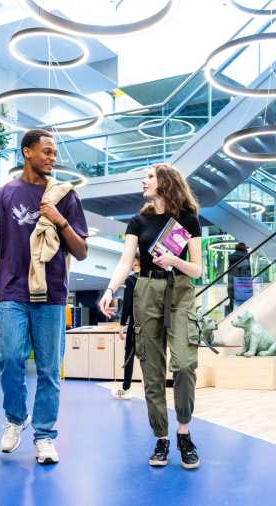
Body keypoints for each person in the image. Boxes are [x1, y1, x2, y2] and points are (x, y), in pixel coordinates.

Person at [0, 129, 89, 465]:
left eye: (55, 153)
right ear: (27, 152)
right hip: (11, 291)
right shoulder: (2, 195)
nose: (53, 158)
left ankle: (44, 436)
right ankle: (14, 418)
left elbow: (81, 251)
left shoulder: (65, 196)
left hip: (51, 293)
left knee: (50, 370)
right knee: (10, 357)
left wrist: (59, 219)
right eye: (47, 152)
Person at [98, 163, 203, 470]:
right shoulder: (138, 221)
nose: (143, 181)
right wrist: (109, 290)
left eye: (149, 177)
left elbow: (197, 269)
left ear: (165, 182)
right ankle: (162, 437)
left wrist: (174, 260)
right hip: (145, 290)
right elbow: (124, 261)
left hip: (180, 291)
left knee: (184, 364)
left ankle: (184, 431)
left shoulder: (188, 219)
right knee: (152, 370)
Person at [113, 254, 140, 401]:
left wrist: (122, 325)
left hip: (135, 324)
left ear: (135, 261)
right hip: (152, 323)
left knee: (129, 355)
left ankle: (125, 388)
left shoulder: (131, 279)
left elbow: (128, 304)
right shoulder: (151, 278)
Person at [226, 242, 252, 313]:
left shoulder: (232, 259)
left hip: (232, 288)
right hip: (242, 291)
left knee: (232, 309)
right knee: (244, 311)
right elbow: (245, 276)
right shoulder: (245, 259)